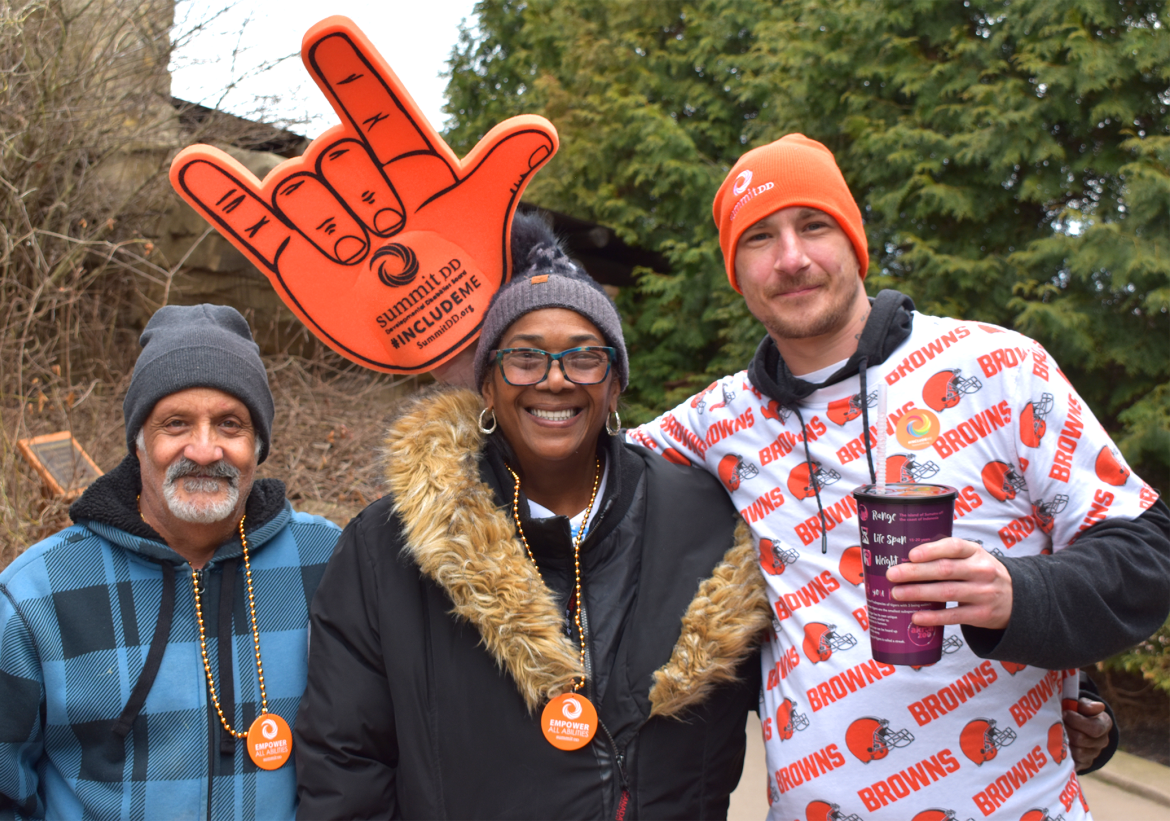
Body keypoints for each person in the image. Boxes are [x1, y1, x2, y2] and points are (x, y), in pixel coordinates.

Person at [630, 134, 1170, 820]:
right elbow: (566, 456)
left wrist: (1019, 592)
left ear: (854, 242)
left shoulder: (996, 368)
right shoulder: (717, 420)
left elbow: (1144, 551)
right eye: (759, 237)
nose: (791, 257)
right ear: (735, 270)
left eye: (813, 225)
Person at [294, 214, 770, 819]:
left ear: (615, 384)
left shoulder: (706, 519)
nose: (553, 380)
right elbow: (344, 759)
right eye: (524, 358)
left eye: (584, 357)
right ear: (487, 386)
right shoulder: (389, 545)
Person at [0, 305, 342, 821]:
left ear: (257, 445)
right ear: (139, 442)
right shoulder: (37, 595)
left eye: (230, 424)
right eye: (175, 424)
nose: (204, 448)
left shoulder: (329, 564)